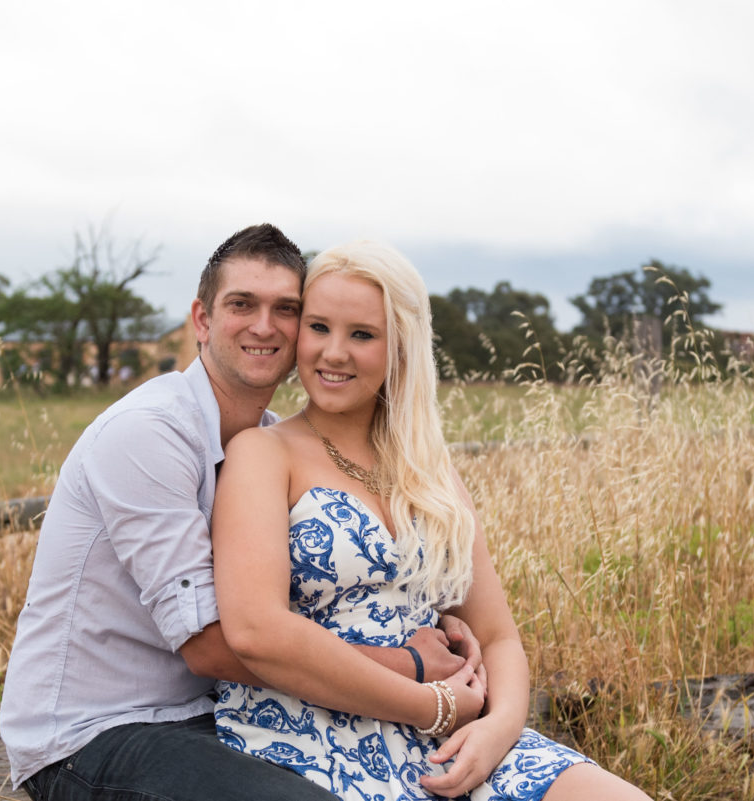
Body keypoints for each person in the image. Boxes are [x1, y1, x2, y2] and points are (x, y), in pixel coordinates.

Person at [0, 225, 480, 801]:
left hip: (223, 714)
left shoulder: (270, 444)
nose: (264, 325)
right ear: (201, 321)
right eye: (242, 305)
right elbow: (212, 644)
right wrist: (409, 666)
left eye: (287, 309)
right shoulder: (147, 433)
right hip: (98, 733)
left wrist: (431, 617)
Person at [211, 241, 649, 800]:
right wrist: (433, 705)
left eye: (362, 334)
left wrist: (497, 729)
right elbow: (258, 630)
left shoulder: (428, 469)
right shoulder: (263, 453)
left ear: (401, 347)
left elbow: (497, 636)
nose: (334, 353)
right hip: (309, 729)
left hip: (452, 733)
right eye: (319, 327)